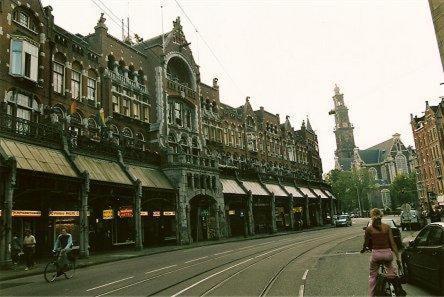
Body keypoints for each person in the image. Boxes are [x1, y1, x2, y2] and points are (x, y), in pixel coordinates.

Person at [361, 208, 406, 297]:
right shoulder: (387, 227)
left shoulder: (369, 229)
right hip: (388, 254)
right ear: (381, 216)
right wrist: (397, 257)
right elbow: (393, 243)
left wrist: (363, 249)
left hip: (376, 255)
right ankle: (397, 291)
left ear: (372, 216)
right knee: (391, 272)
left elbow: (366, 243)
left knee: (373, 275)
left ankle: (372, 295)